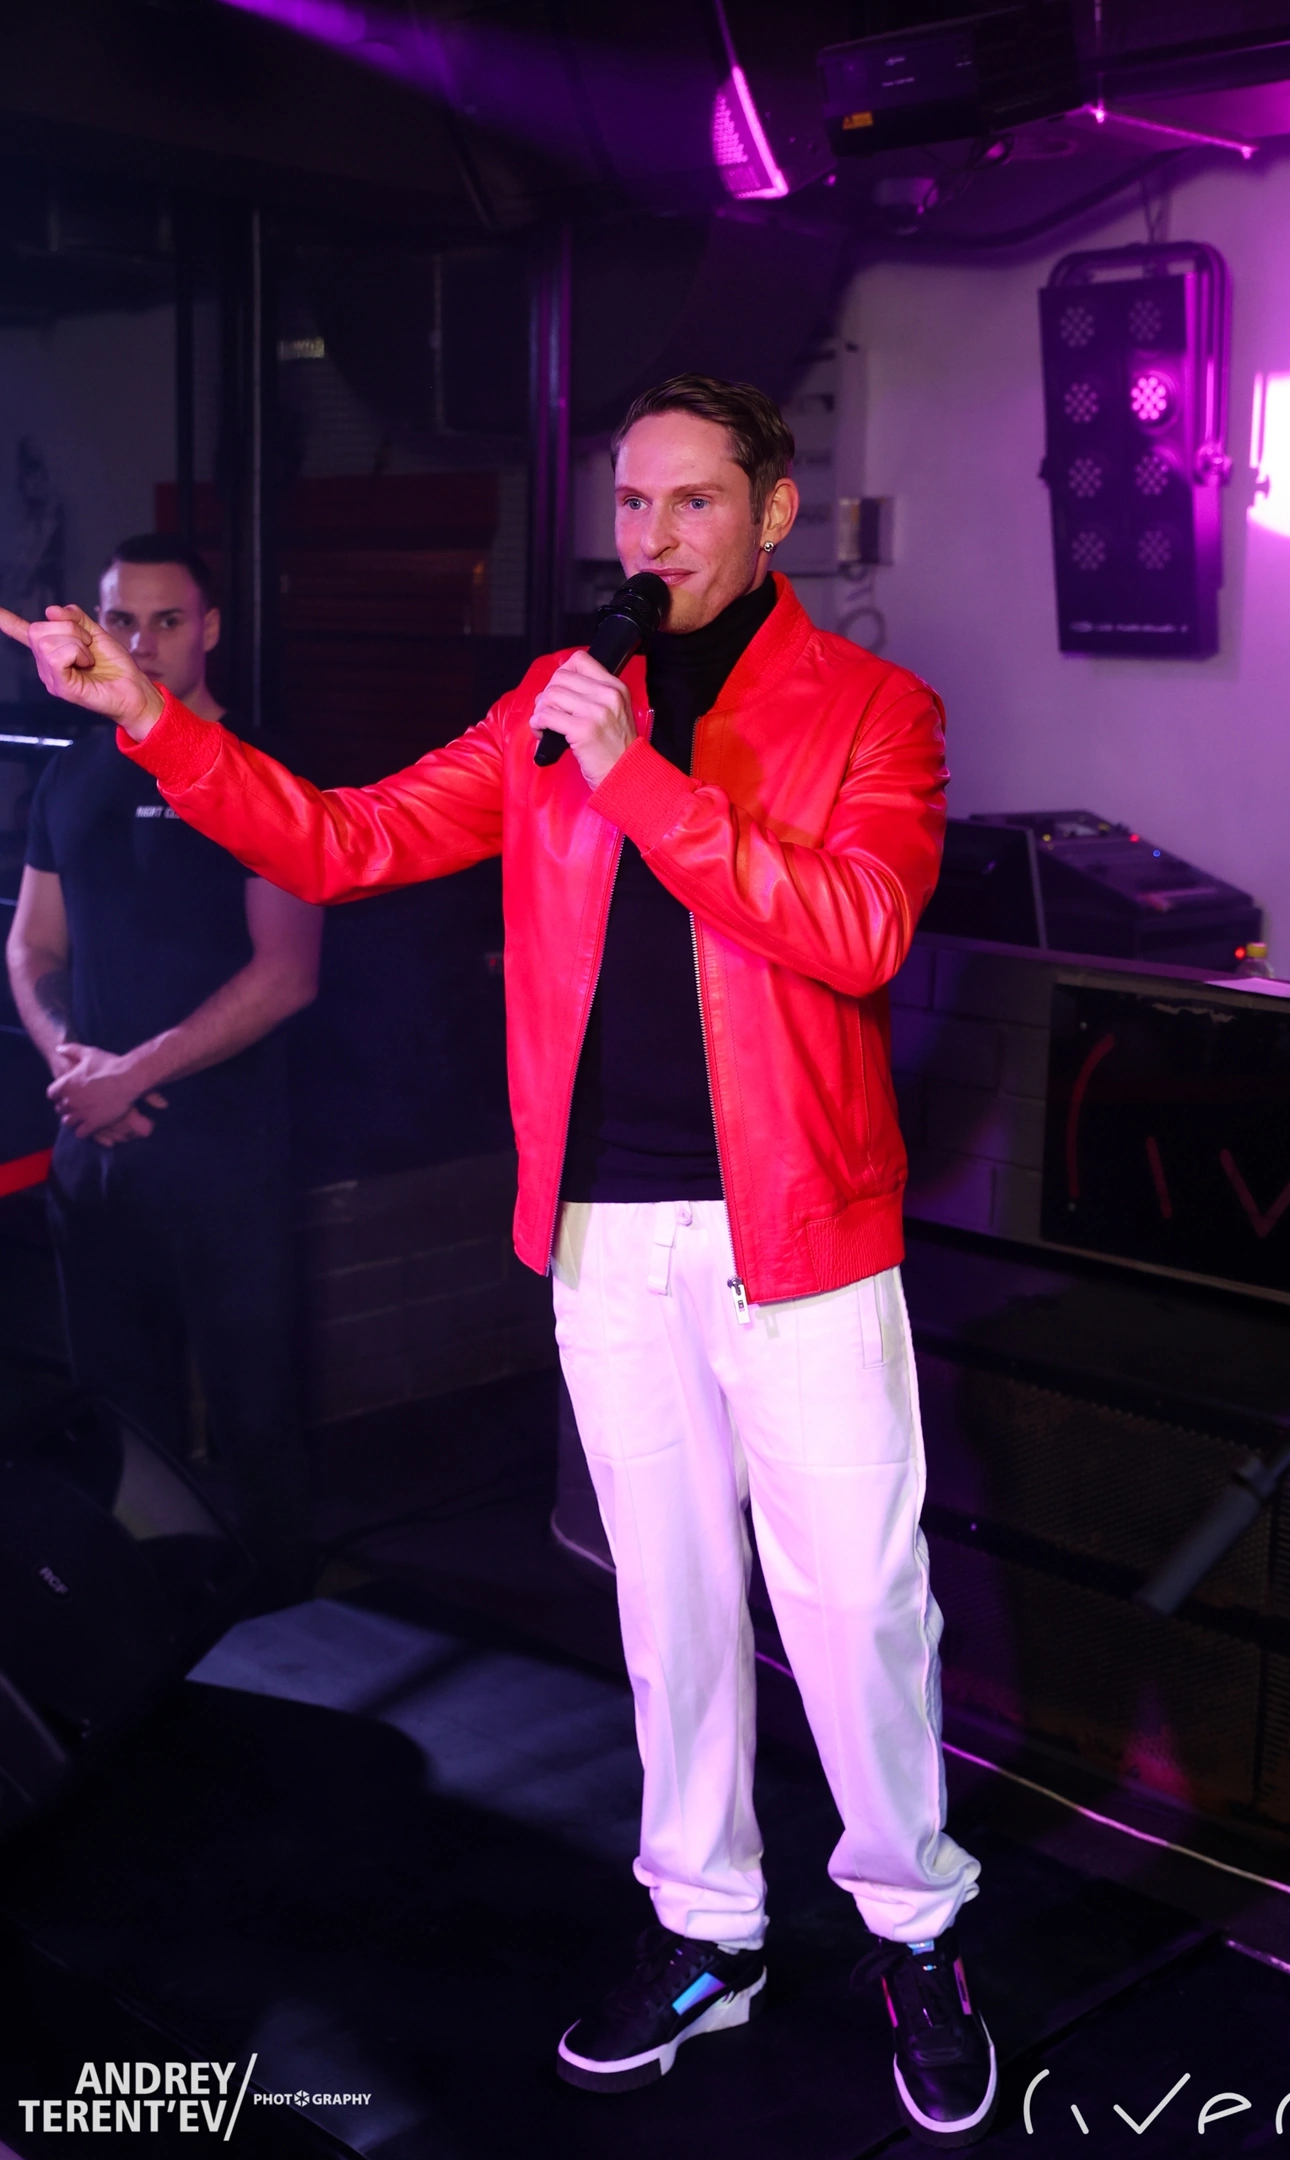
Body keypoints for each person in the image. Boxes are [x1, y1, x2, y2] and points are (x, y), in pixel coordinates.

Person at [1, 379, 997, 2148]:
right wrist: (147, 712)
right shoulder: (558, 702)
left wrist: (640, 780)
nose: (653, 536)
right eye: (632, 504)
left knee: (856, 1609)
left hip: (800, 1235)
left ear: (773, 513)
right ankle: (706, 1929)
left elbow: (857, 931)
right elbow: (345, 842)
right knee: (667, 1603)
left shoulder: (871, 709)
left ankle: (916, 1932)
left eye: (694, 502)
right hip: (607, 1232)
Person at [4, 535, 323, 1608]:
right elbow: (31, 946)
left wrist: (129, 1075)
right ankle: (146, 1612)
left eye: (167, 620)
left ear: (210, 629)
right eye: (121, 621)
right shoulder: (71, 773)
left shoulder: (261, 770)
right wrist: (72, 1064)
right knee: (116, 1412)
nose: (140, 643)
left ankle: (288, 1626)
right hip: (93, 1151)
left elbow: (288, 973)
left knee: (254, 1409)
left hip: (224, 1155)